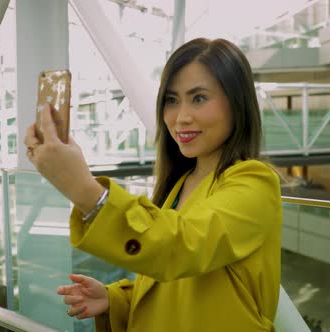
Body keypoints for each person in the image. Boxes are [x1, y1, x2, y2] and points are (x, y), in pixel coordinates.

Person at [24, 38, 282, 332]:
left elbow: (180, 248)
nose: (181, 118)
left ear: (237, 103)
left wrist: (85, 190)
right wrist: (116, 299)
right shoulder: (181, 184)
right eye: (171, 100)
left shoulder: (255, 183)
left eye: (198, 98)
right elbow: (184, 286)